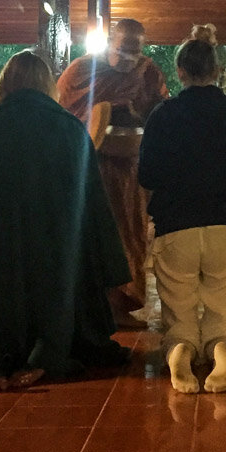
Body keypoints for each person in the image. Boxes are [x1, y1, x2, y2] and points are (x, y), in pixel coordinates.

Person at [0, 50, 132, 390]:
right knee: (58, 285)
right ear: (48, 84)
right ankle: (47, 354)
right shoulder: (70, 129)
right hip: (58, 245)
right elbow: (92, 204)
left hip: (0, 246)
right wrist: (108, 261)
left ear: (5, 84)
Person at [139, 25, 226, 393]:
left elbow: (147, 174)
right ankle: (223, 356)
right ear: (217, 70)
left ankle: (180, 357)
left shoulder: (163, 115)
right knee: (222, 316)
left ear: (180, 72)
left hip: (176, 227)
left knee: (179, 315)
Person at [58, 18, 169, 318]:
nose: (128, 60)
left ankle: (121, 305)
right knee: (92, 234)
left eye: (135, 52)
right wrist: (99, 115)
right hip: (91, 167)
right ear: (110, 43)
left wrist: (135, 112)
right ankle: (89, 307)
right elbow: (62, 114)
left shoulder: (149, 74)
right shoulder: (82, 71)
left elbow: (162, 116)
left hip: (131, 169)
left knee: (130, 234)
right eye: (122, 51)